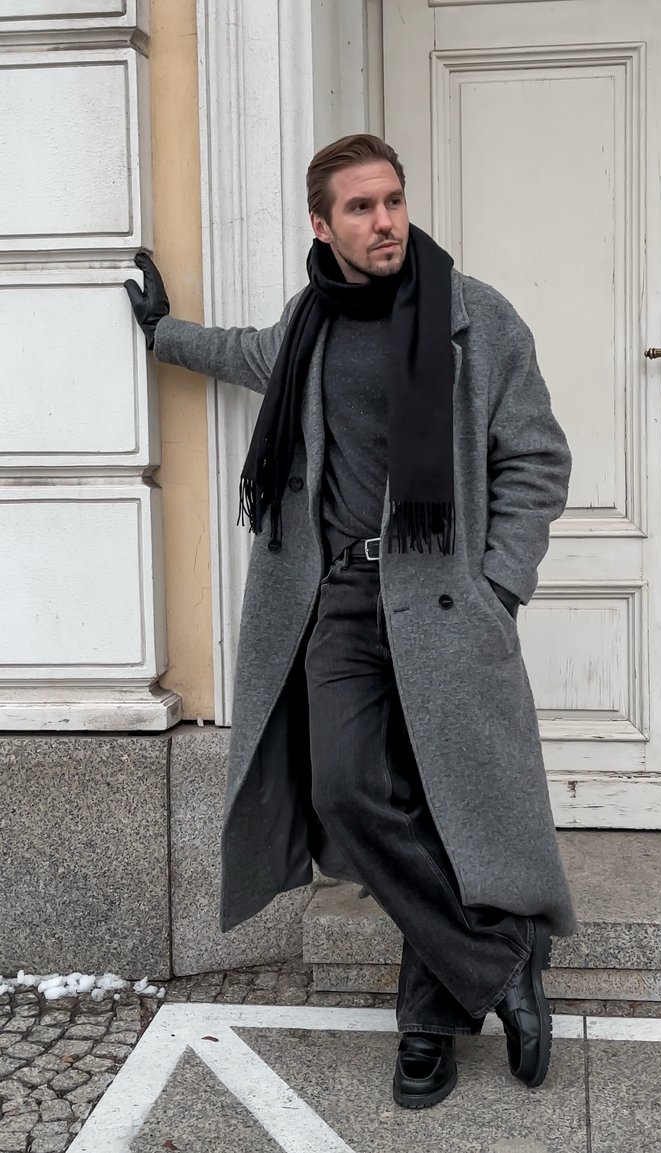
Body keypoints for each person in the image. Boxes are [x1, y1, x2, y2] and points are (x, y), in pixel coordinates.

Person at [125, 133, 576, 1110]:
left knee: (440, 811)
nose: (385, 223)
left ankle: (425, 1031)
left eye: (394, 201)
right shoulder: (309, 323)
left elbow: (534, 460)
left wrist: (496, 583)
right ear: (321, 225)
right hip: (337, 601)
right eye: (362, 208)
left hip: (442, 607)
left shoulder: (470, 317)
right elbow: (247, 353)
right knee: (344, 794)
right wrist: (163, 334)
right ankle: (499, 964)